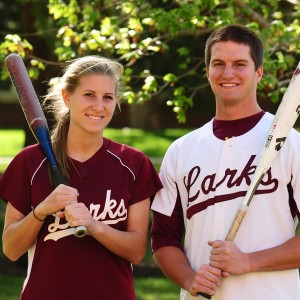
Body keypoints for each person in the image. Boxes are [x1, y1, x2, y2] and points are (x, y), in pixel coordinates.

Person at [150, 24, 300, 300]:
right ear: (208, 72)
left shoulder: (291, 144)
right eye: (218, 64)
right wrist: (190, 278)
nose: (228, 73)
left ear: (259, 73)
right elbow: (163, 238)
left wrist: (249, 261)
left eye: (239, 64)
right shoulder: (181, 150)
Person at [0, 55, 162, 300]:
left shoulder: (133, 163)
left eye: (108, 97)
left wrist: (95, 226)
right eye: (89, 95)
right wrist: (41, 211)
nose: (99, 106)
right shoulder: (30, 162)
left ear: (116, 102)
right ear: (67, 97)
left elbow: (137, 250)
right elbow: (11, 249)